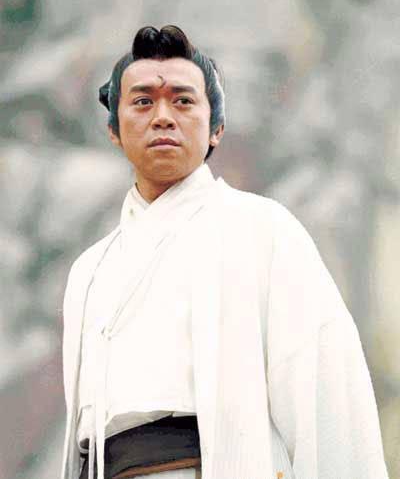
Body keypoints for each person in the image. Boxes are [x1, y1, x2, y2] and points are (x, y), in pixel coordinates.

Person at [60, 25, 389, 479]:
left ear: (216, 128)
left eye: (183, 101)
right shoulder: (90, 271)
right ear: (114, 130)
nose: (162, 117)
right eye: (143, 102)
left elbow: (329, 399)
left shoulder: (262, 230)